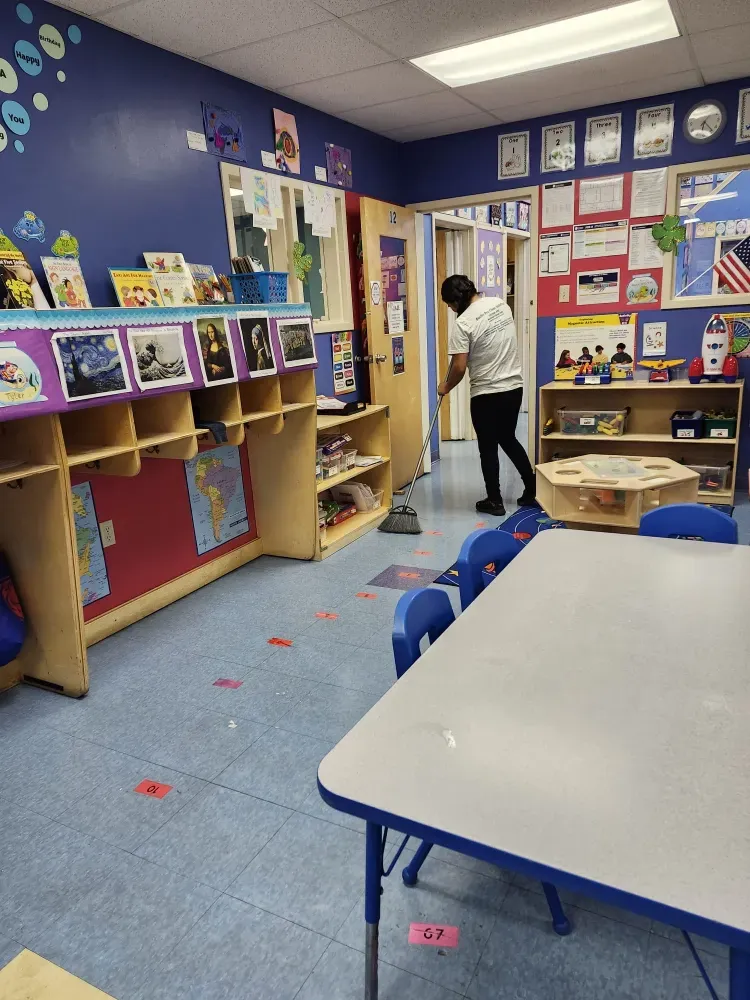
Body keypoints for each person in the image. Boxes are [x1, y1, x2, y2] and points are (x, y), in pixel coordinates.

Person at [439, 274, 536, 515]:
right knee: (508, 438)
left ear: (456, 299)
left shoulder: (463, 324)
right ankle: (532, 487)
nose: (451, 310)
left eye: (450, 305)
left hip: (486, 394)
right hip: (513, 387)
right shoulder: (500, 304)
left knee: (488, 447)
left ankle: (495, 500)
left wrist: (445, 387)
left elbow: (459, 366)